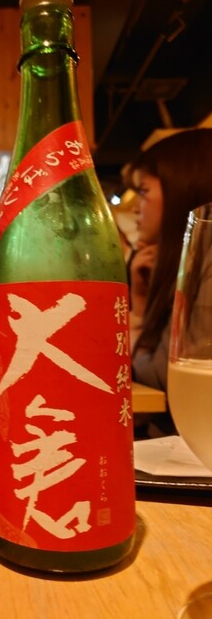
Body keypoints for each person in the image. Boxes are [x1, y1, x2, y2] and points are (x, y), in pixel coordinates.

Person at [126, 128, 212, 437]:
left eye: (144, 191)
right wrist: (140, 302)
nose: (136, 207)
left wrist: (133, 327)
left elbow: (166, 376)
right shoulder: (187, 260)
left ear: (181, 189)